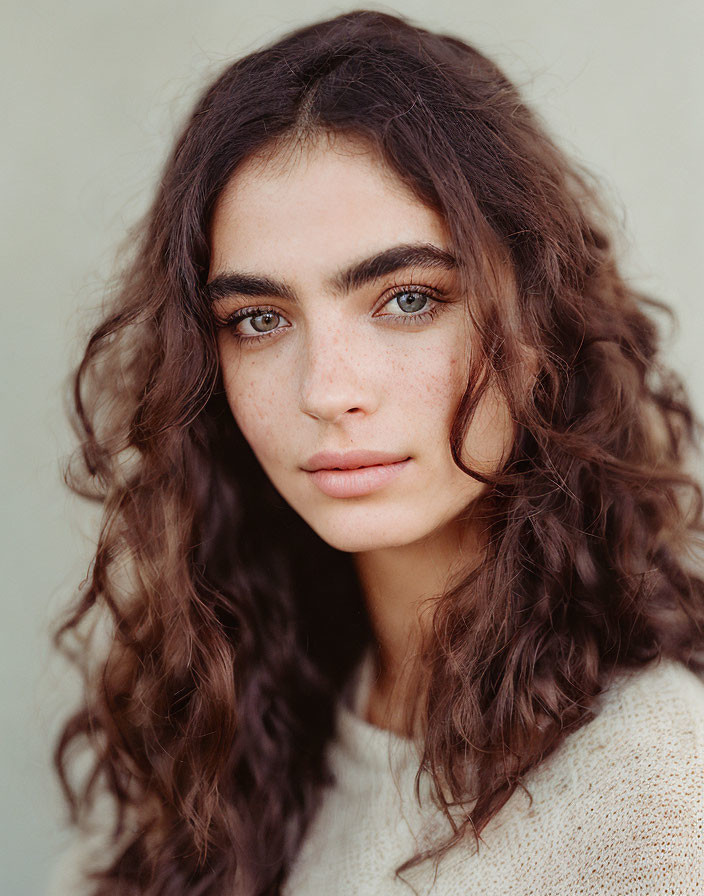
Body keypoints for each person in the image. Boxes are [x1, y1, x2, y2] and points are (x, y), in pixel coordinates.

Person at [48, 8, 704, 896]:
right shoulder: (213, 736)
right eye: (260, 320)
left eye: (407, 299)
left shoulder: (658, 793)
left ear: (537, 317)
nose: (325, 390)